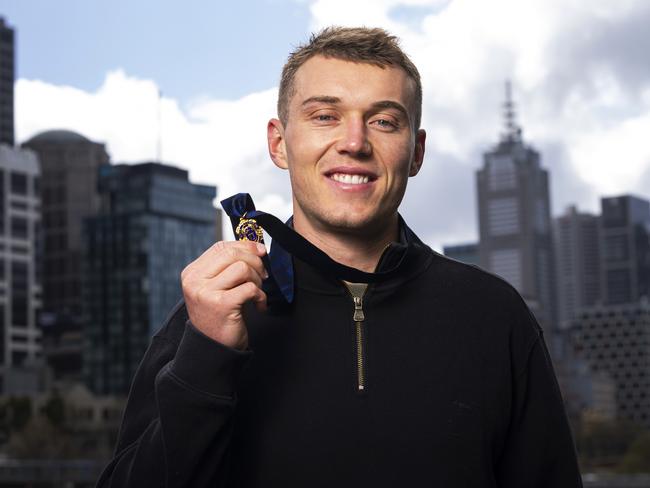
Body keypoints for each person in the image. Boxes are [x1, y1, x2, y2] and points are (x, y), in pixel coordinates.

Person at [97, 27, 583, 487]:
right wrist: (207, 355)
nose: (354, 142)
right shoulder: (206, 317)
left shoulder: (495, 316)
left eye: (383, 121)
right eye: (325, 115)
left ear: (415, 153)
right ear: (278, 142)